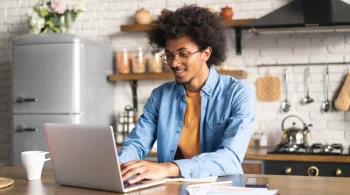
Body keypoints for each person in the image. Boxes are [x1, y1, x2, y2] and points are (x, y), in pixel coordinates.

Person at [118, 4, 256, 184]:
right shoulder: (160, 96)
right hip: (173, 188)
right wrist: (117, 166)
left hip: (222, 189)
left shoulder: (238, 94)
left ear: (206, 53)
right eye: (169, 54)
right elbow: (137, 144)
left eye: (183, 54)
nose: (174, 63)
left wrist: (169, 168)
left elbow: (230, 157)